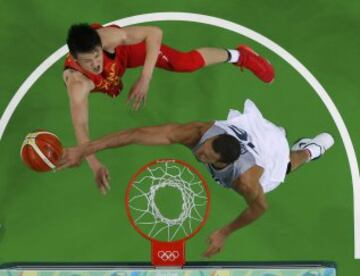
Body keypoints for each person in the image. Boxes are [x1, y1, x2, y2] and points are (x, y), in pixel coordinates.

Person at [57, 99, 334, 257]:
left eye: (205, 153)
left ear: (221, 161)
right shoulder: (201, 132)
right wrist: (84, 150)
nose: (199, 150)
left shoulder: (245, 180)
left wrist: (225, 232)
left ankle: (309, 150)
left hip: (267, 150)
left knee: (285, 166)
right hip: (246, 132)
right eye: (204, 146)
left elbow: (260, 207)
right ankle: (308, 150)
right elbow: (135, 134)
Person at [63, 23, 275, 193]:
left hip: (124, 55)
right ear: (75, 58)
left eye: (97, 56)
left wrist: (145, 78)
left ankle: (241, 56)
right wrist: (94, 164)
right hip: (112, 69)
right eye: (88, 62)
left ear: (100, 46)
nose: (96, 64)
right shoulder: (78, 85)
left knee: (184, 63)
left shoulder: (109, 38)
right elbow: (81, 126)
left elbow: (154, 33)